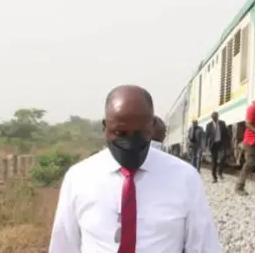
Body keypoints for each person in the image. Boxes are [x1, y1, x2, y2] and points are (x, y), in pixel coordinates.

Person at [48, 85, 221, 253]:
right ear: (105, 127)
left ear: (152, 126)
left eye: (138, 133)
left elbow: (203, 246)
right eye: (120, 133)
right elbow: (64, 246)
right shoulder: (79, 178)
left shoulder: (185, 178)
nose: (130, 142)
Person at [205, 111, 229, 183]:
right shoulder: (208, 125)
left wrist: (227, 144)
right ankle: (214, 177)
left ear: (218, 116)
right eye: (213, 117)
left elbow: (226, 134)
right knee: (214, 161)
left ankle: (220, 172)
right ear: (212, 118)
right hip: (213, 145)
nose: (215, 118)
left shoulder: (222, 123)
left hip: (221, 143)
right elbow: (207, 136)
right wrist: (207, 146)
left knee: (223, 157)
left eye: (216, 117)